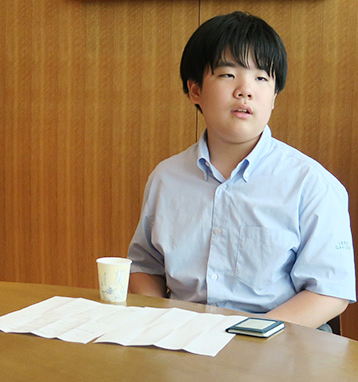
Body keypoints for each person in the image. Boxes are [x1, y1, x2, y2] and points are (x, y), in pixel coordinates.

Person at [127, 11, 355, 329]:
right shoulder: (166, 178)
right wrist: (162, 323)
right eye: (227, 74)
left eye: (261, 78)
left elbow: (329, 292)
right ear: (195, 90)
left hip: (277, 343)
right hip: (183, 341)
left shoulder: (311, 184)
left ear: (274, 97)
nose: (245, 90)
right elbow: (144, 267)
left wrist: (245, 335)